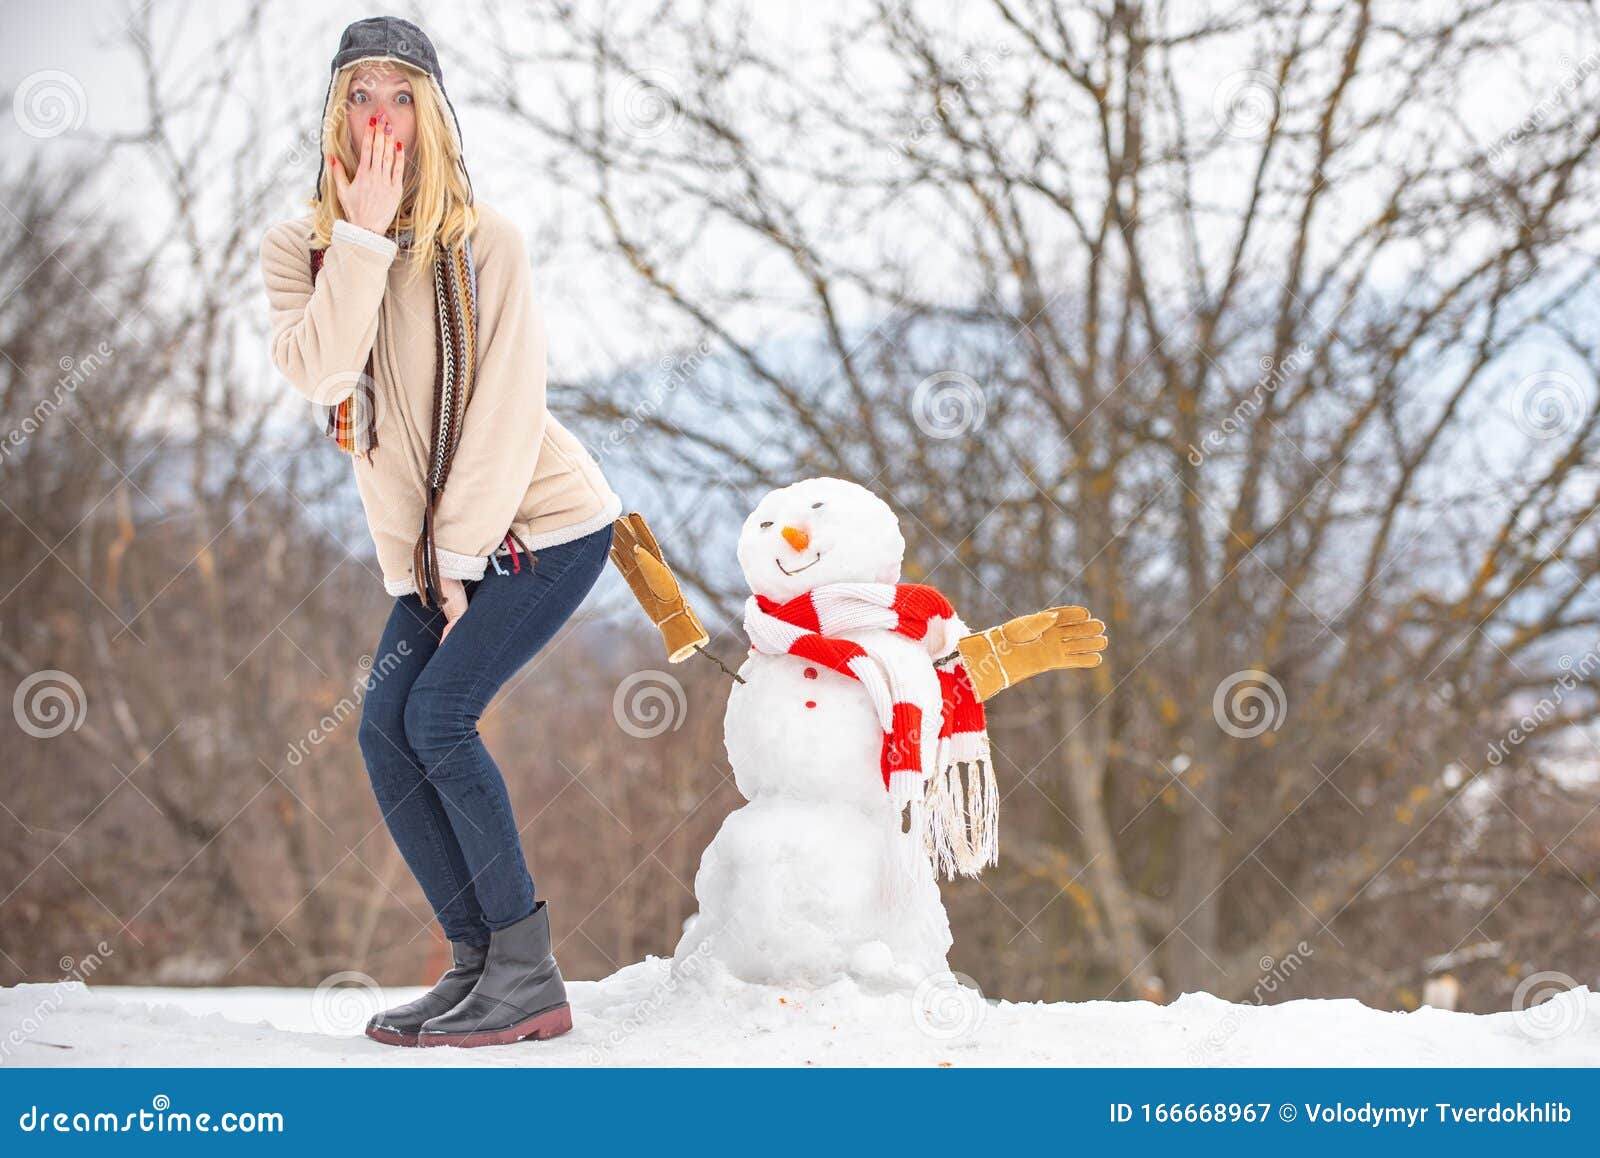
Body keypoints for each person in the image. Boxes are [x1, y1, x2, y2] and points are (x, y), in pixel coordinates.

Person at [257, 16, 622, 1048]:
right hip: (436, 551)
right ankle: (478, 965)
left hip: (541, 528)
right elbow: (325, 374)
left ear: (432, 113)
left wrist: (457, 566)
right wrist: (364, 240)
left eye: (401, 96)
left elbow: (503, 415)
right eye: (362, 97)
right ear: (338, 113)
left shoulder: (484, 243)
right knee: (384, 730)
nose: (382, 118)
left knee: (438, 719)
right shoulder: (304, 249)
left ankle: (528, 971)